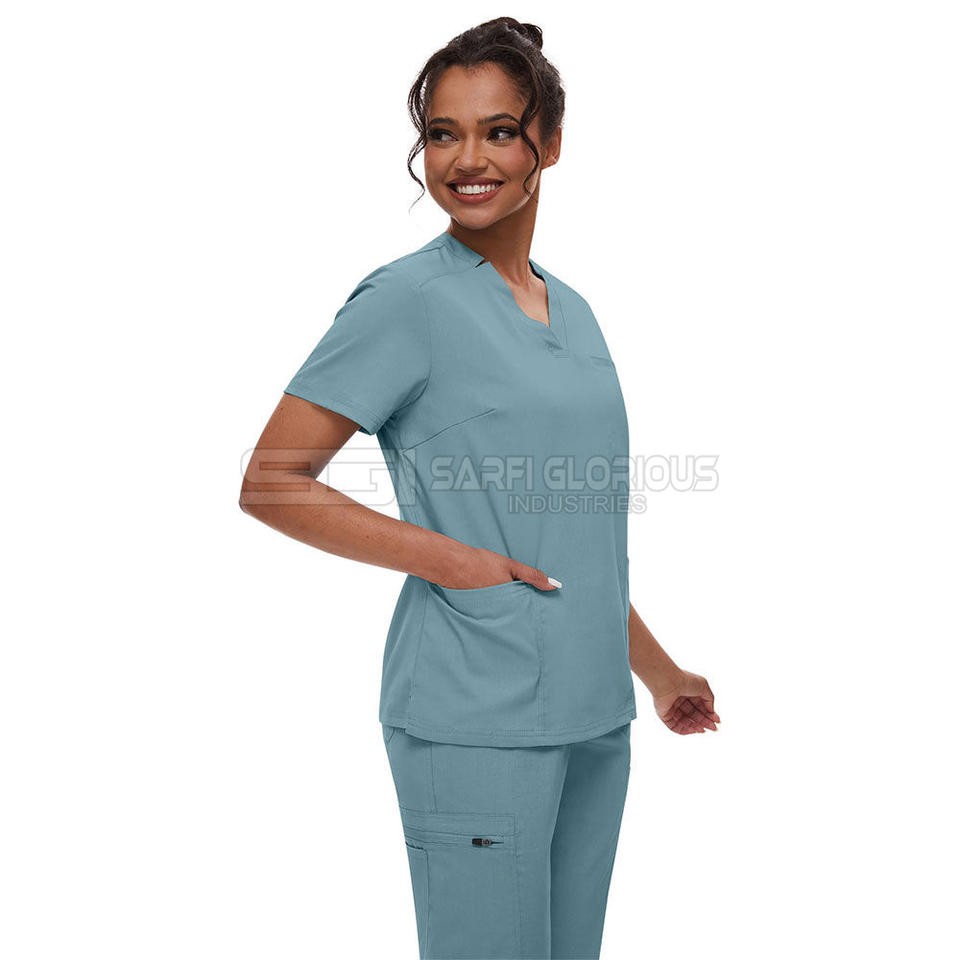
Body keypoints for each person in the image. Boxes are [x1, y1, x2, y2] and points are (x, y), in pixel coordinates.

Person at [240, 17, 720, 960]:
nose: (467, 159)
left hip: (595, 712)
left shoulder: (573, 310)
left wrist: (657, 670)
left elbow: (567, 533)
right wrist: (456, 562)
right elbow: (272, 480)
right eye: (442, 133)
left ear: (551, 141)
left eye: (499, 131)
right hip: (475, 713)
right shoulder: (407, 300)